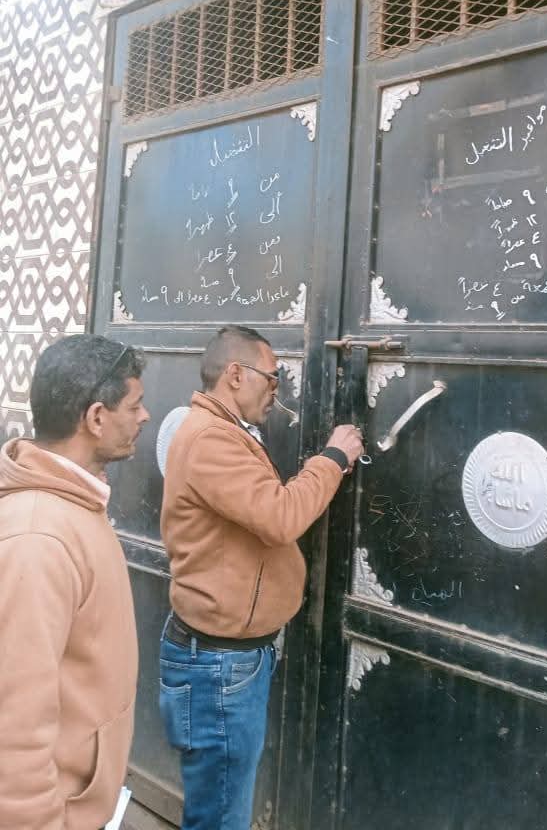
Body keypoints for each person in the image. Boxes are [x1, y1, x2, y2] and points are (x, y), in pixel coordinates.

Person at [159, 325, 363, 830]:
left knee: (220, 803)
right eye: (272, 378)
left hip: (226, 660)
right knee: (221, 815)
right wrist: (333, 458)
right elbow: (279, 517)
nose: (277, 390)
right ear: (235, 374)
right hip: (220, 665)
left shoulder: (221, 430)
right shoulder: (211, 439)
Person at [0, 335, 149, 830]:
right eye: (135, 405)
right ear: (96, 417)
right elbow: (14, 725)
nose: (145, 416)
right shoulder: (38, 536)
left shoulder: (72, 498)